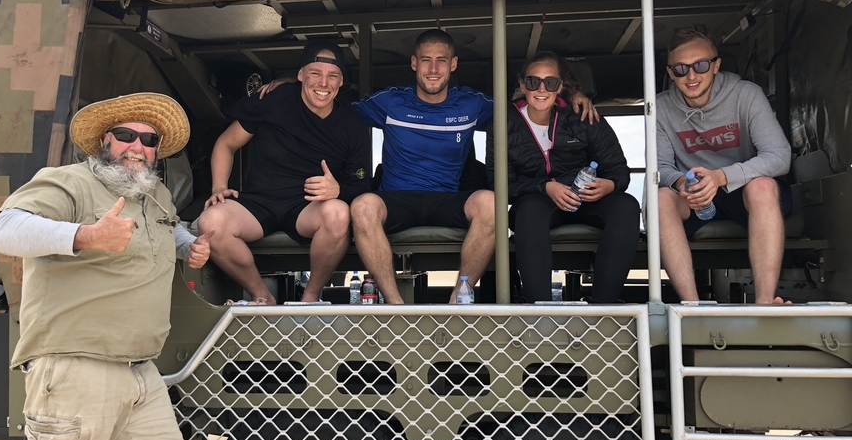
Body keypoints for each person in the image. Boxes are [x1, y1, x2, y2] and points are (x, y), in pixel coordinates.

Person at [0, 93, 209, 440]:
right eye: (126, 136)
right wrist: (87, 235)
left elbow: (167, 230)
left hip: (141, 372)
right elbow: (6, 229)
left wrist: (188, 245)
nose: (137, 147)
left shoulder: (155, 195)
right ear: (104, 141)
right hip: (74, 365)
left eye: (148, 140)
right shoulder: (68, 182)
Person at [348, 29, 598, 304]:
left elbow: (530, 104)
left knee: (491, 203)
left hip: (447, 199)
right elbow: (338, 113)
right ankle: (396, 306)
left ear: (453, 64)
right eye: (426, 60)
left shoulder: (471, 103)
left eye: (442, 60)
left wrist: (573, 95)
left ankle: (458, 301)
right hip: (397, 198)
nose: (433, 69)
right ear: (414, 63)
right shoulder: (390, 101)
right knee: (362, 206)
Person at [196, 41, 372, 304]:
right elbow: (226, 144)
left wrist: (338, 190)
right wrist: (219, 187)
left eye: (332, 76)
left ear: (341, 81)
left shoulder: (352, 124)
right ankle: (261, 296)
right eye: (315, 73)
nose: (323, 83)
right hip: (259, 202)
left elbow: (362, 184)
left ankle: (310, 297)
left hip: (308, 207)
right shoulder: (275, 99)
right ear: (301, 75)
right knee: (211, 222)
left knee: (338, 214)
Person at [488, 52, 639, 303]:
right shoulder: (504, 122)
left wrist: (609, 185)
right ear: (523, 85)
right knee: (528, 212)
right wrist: (546, 187)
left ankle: (604, 306)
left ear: (560, 87)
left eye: (550, 83)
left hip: (585, 198)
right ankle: (540, 309)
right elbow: (500, 185)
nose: (542, 89)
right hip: (537, 201)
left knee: (627, 206)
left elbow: (618, 170)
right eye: (533, 81)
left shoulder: (582, 115)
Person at [656, 25, 792, 304]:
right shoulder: (659, 107)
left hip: (743, 192)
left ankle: (765, 304)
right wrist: (681, 183)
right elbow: (661, 167)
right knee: (661, 198)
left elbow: (779, 156)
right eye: (680, 69)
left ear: (716, 65)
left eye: (700, 65)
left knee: (763, 186)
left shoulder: (746, 95)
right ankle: (691, 306)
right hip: (695, 197)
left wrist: (721, 177)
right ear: (670, 73)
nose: (691, 76)